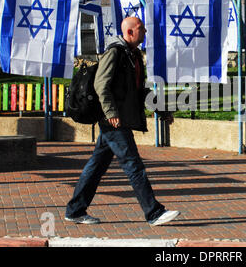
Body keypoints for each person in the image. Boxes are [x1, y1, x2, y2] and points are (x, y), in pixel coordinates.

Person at [65, 17, 180, 226]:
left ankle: (75, 210)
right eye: (141, 29)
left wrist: (162, 110)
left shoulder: (132, 55)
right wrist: (110, 113)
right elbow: (101, 84)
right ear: (129, 33)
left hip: (120, 119)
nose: (144, 32)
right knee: (132, 164)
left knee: (96, 165)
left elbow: (139, 90)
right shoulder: (115, 53)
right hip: (113, 120)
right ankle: (153, 212)